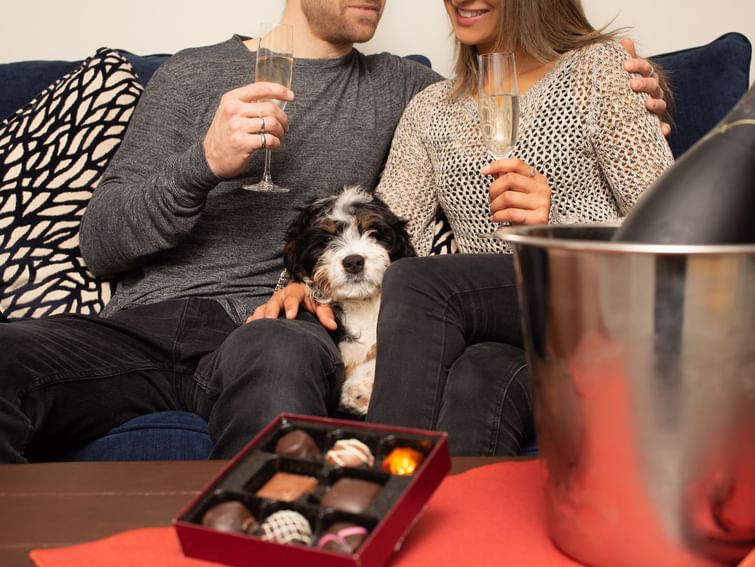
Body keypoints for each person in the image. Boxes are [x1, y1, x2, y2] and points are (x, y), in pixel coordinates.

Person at [0, 0, 665, 463]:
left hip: (273, 329)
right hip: (145, 325)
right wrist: (202, 164)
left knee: (285, 352)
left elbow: (397, 240)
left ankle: (335, 518)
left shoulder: (398, 86)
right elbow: (99, 242)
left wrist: (644, 85)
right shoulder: (189, 76)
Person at [361, 0, 675, 455]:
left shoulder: (600, 69)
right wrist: (300, 283)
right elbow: (387, 232)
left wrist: (556, 230)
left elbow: (675, 229)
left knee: (418, 284)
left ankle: (370, 494)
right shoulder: (430, 109)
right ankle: (452, 523)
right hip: (503, 331)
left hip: (596, 302)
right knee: (477, 378)